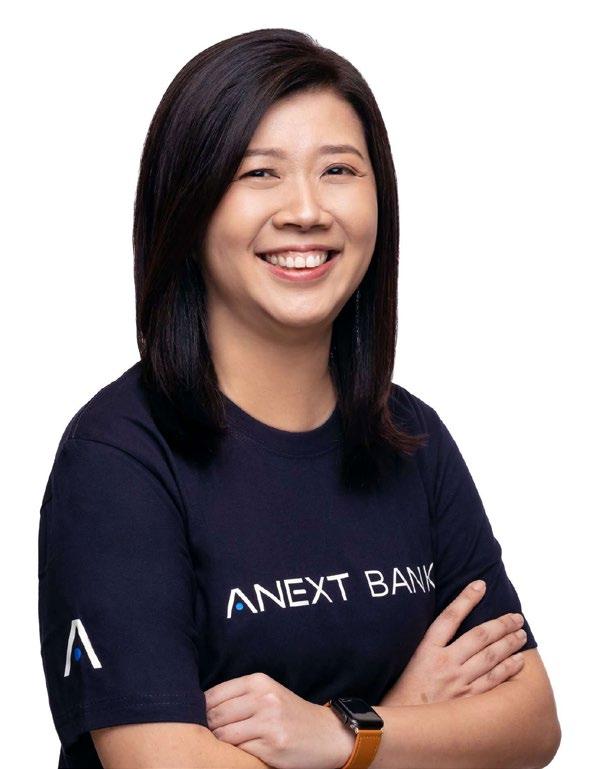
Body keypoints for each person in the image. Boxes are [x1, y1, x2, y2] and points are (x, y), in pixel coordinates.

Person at [37, 28, 560, 769]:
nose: (307, 210)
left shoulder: (410, 436)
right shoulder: (119, 458)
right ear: (187, 205)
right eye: (260, 173)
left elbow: (532, 723)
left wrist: (336, 734)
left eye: (338, 169)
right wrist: (400, 719)